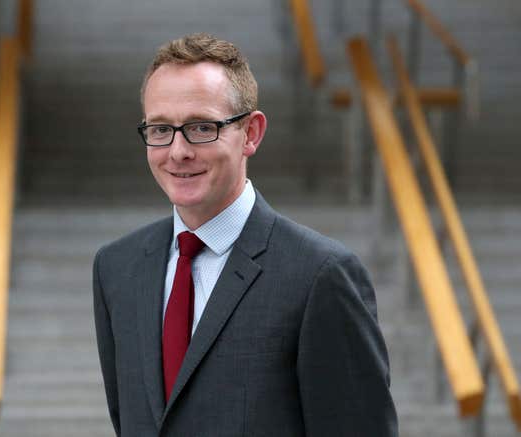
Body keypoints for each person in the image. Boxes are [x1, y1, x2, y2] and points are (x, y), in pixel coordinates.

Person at [92, 33, 397, 436]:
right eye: (160, 129)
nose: (178, 151)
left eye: (201, 127)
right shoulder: (116, 269)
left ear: (251, 133)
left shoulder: (320, 276)